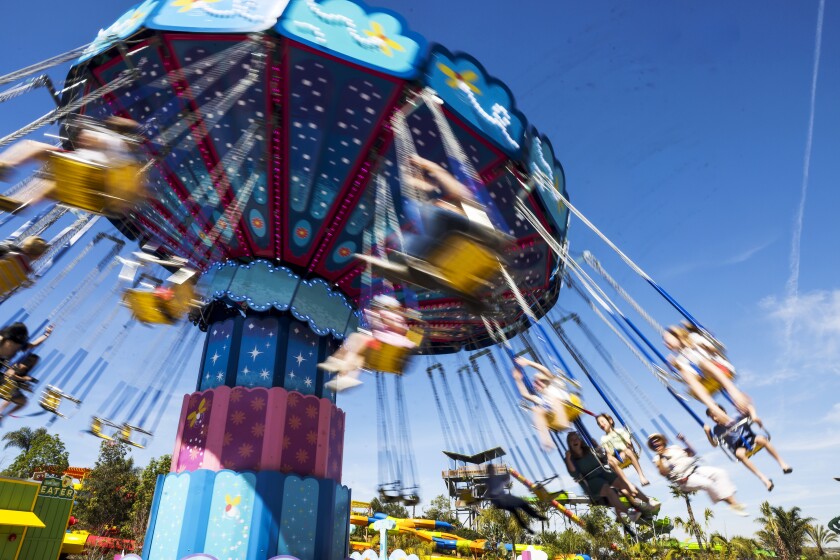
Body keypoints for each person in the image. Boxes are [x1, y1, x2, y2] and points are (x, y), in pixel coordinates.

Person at [0, 117, 144, 214]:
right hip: (88, 196)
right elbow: (133, 196)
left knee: (32, 146)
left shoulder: (112, 139)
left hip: (80, 168)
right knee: (48, 188)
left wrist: (83, 131)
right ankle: (20, 204)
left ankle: (6, 164)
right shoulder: (131, 162)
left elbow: (87, 140)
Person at [663, 325, 759, 425]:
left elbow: (717, 348)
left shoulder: (694, 338)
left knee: (704, 363)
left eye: (666, 339)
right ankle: (715, 409)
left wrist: (703, 345)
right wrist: (678, 368)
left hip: (721, 371)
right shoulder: (679, 359)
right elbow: (692, 380)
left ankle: (734, 393)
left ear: (676, 334)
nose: (664, 343)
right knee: (686, 373)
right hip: (706, 385)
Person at [319, 295, 417, 391]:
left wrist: (384, 318)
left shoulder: (392, 316)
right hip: (382, 347)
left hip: (389, 344)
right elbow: (375, 323)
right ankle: (346, 378)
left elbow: (397, 327)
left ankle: (338, 360)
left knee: (356, 338)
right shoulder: (393, 316)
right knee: (359, 356)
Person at [565, 431, 658, 523]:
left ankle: (648, 501)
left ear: (580, 440)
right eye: (571, 440)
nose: (575, 440)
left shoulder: (588, 449)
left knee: (623, 483)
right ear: (569, 444)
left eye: (576, 438)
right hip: (591, 479)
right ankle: (629, 512)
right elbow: (574, 474)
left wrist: (597, 447)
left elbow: (602, 457)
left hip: (602, 471)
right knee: (607, 489)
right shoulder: (571, 458)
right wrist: (568, 459)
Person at [647, 432, 747, 516]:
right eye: (653, 442)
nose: (656, 443)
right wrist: (660, 457)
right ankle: (732, 504)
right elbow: (663, 472)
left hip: (695, 468)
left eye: (657, 440)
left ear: (662, 441)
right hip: (684, 479)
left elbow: (692, 452)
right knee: (707, 484)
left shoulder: (674, 448)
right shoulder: (656, 459)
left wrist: (684, 440)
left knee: (720, 473)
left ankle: (733, 503)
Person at [704, 407, 792, 492]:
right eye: (712, 417)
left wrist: (753, 416)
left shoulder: (736, 416)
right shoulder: (716, 430)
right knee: (739, 454)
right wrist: (707, 433)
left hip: (751, 438)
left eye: (715, 415)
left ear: (723, 412)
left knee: (762, 439)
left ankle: (783, 464)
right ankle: (764, 479)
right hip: (739, 446)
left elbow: (749, 407)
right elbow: (714, 444)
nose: (714, 418)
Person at [511, 356, 574, 450]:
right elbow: (525, 395)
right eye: (535, 383)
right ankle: (547, 441)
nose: (535, 384)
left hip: (566, 408)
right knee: (537, 410)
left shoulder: (555, 384)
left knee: (555, 400)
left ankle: (563, 422)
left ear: (544, 380)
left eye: (537, 381)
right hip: (554, 416)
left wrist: (528, 362)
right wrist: (518, 380)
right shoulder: (541, 399)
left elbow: (545, 371)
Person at [484, 463, 547, 534]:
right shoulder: (489, 480)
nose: (492, 472)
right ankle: (535, 516)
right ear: (488, 471)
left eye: (492, 470)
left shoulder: (497, 478)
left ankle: (526, 526)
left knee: (515, 511)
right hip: (500, 500)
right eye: (490, 470)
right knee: (521, 504)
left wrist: (507, 473)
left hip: (502, 499)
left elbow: (506, 479)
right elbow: (488, 491)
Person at [597, 413, 650, 486]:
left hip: (626, 453)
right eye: (599, 424)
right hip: (616, 458)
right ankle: (628, 483)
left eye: (602, 421)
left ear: (610, 421)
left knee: (628, 451)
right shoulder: (603, 438)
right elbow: (608, 452)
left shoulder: (620, 431)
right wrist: (610, 458)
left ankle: (641, 476)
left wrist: (628, 447)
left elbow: (629, 443)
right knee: (610, 461)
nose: (601, 424)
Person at [0, 354, 40, 424]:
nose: (34, 364)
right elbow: (10, 374)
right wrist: (24, 379)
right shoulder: (19, 366)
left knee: (23, 402)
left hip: (9, 389)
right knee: (13, 397)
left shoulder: (24, 371)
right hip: (3, 386)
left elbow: (17, 381)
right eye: (34, 362)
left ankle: (4, 415)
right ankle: (1, 412)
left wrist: (26, 387)